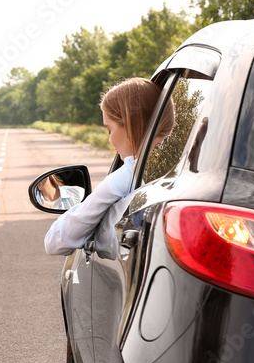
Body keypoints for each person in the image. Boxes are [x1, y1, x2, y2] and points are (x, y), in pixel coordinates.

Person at [45, 77, 175, 255]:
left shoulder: (125, 178)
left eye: (109, 129)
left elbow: (55, 242)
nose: (109, 139)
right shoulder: (183, 165)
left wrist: (79, 208)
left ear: (129, 125)